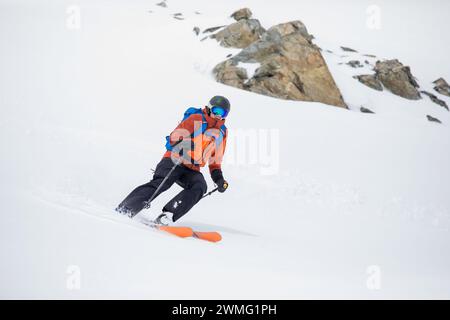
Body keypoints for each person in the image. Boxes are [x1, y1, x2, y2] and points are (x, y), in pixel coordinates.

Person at [115, 96, 230, 225]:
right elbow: (173, 137)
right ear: (209, 108)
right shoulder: (196, 119)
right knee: (162, 182)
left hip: (192, 168)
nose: (219, 116)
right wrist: (185, 144)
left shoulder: (222, 133)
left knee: (200, 186)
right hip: (174, 159)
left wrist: (219, 179)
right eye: (217, 111)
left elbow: (215, 162)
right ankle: (126, 208)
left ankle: (167, 216)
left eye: (223, 113)